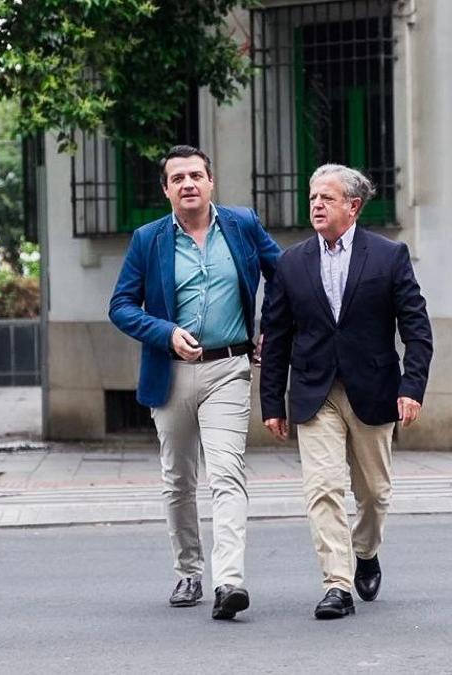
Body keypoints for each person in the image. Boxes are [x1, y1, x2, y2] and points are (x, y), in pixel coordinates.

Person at [109, 145, 281, 619]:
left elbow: (283, 276)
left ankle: (230, 582)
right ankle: (189, 570)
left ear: (211, 183)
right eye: (178, 178)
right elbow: (120, 306)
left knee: (227, 473)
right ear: (166, 189)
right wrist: (165, 333)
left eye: (196, 176)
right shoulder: (148, 240)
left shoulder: (243, 225)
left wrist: (271, 325)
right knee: (179, 479)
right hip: (172, 375)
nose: (188, 184)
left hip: (229, 367)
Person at [259, 163, 433, 619]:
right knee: (323, 488)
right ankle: (336, 584)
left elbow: (417, 329)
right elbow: (275, 336)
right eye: (313, 196)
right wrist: (272, 402)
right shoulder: (291, 262)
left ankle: (366, 550)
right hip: (315, 392)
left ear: (352, 207)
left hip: (374, 389)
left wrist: (411, 386)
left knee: (374, 492)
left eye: (327, 198)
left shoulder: (389, 256)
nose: (316, 204)